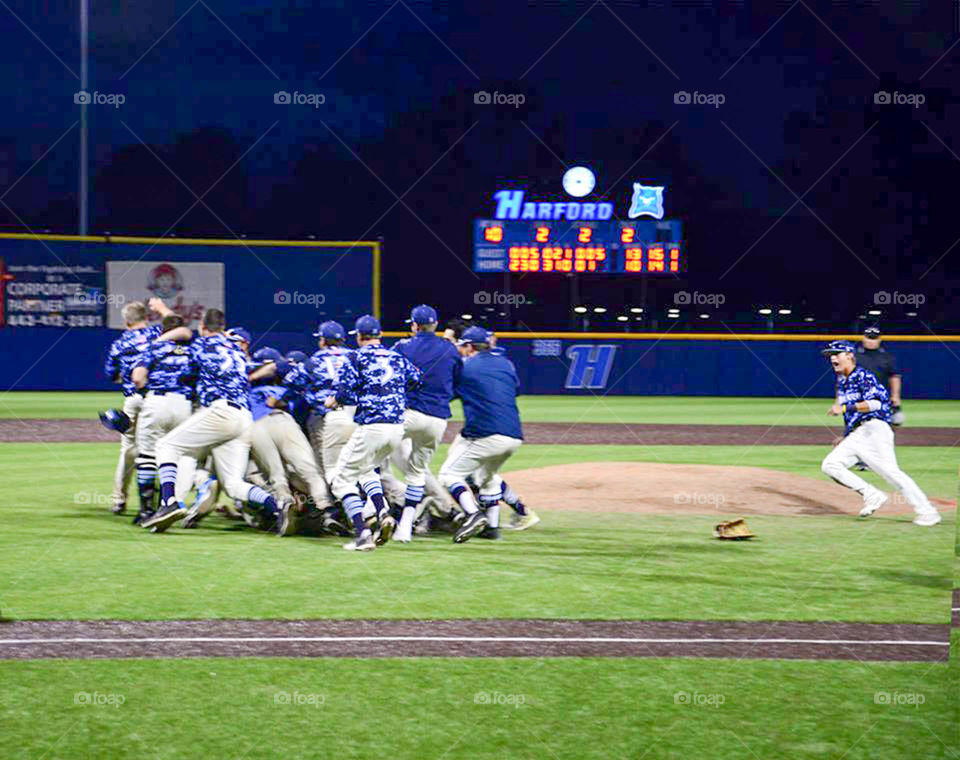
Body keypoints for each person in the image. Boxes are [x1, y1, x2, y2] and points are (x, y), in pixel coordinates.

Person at [142, 309, 285, 533]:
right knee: (234, 485)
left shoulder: (202, 346)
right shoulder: (236, 349)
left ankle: (168, 503)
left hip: (221, 411)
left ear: (203, 328)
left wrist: (162, 339)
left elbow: (179, 357)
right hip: (244, 418)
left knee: (166, 445)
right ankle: (279, 506)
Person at [819, 340, 940, 527]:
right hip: (858, 432)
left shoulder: (863, 376)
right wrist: (846, 434)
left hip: (876, 428)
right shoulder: (843, 381)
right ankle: (872, 494)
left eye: (837, 353)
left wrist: (844, 407)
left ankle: (927, 511)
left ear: (850, 355)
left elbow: (875, 404)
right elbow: (852, 415)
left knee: (891, 473)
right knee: (831, 464)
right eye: (830, 355)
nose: (833, 357)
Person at [325, 315, 421, 551]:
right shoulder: (397, 356)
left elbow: (345, 392)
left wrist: (333, 401)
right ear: (379, 335)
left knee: (341, 480)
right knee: (367, 470)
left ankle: (362, 535)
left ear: (359, 337)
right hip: (397, 427)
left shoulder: (355, 356)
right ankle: (383, 512)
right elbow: (417, 379)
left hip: (372, 427)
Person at [438, 326, 524, 543]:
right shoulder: (505, 363)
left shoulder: (466, 367)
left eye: (462, 346)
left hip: (487, 434)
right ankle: (492, 529)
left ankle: (473, 514)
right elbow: (515, 389)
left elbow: (447, 395)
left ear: (469, 346)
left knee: (449, 475)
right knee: (485, 477)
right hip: (514, 436)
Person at [391, 305, 462, 543]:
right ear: (435, 325)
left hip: (408, 413)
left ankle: (376, 511)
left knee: (374, 455)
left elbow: (389, 377)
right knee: (417, 471)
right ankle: (406, 526)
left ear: (414, 325)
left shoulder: (402, 346)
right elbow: (457, 384)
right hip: (437, 419)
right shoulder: (450, 349)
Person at [101, 297, 172, 515]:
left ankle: (119, 500)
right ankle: (163, 499)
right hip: (157, 399)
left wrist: (124, 376)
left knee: (128, 450)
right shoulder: (157, 333)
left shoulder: (120, 343)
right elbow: (174, 323)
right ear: (146, 318)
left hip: (133, 399)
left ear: (126, 321)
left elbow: (111, 375)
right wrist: (162, 309)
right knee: (161, 448)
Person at [129, 313, 197, 524]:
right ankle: (169, 503)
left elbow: (137, 378)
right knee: (178, 457)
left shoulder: (154, 347)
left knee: (148, 457)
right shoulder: (194, 350)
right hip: (185, 405)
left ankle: (146, 512)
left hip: (157, 402)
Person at [856, 326, 904, 425]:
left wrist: (895, 397)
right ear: (863, 338)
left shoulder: (887, 357)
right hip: (860, 398)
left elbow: (894, 377)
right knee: (857, 429)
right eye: (869, 338)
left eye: (874, 338)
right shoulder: (854, 357)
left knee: (884, 428)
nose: (871, 341)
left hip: (881, 399)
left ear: (879, 340)